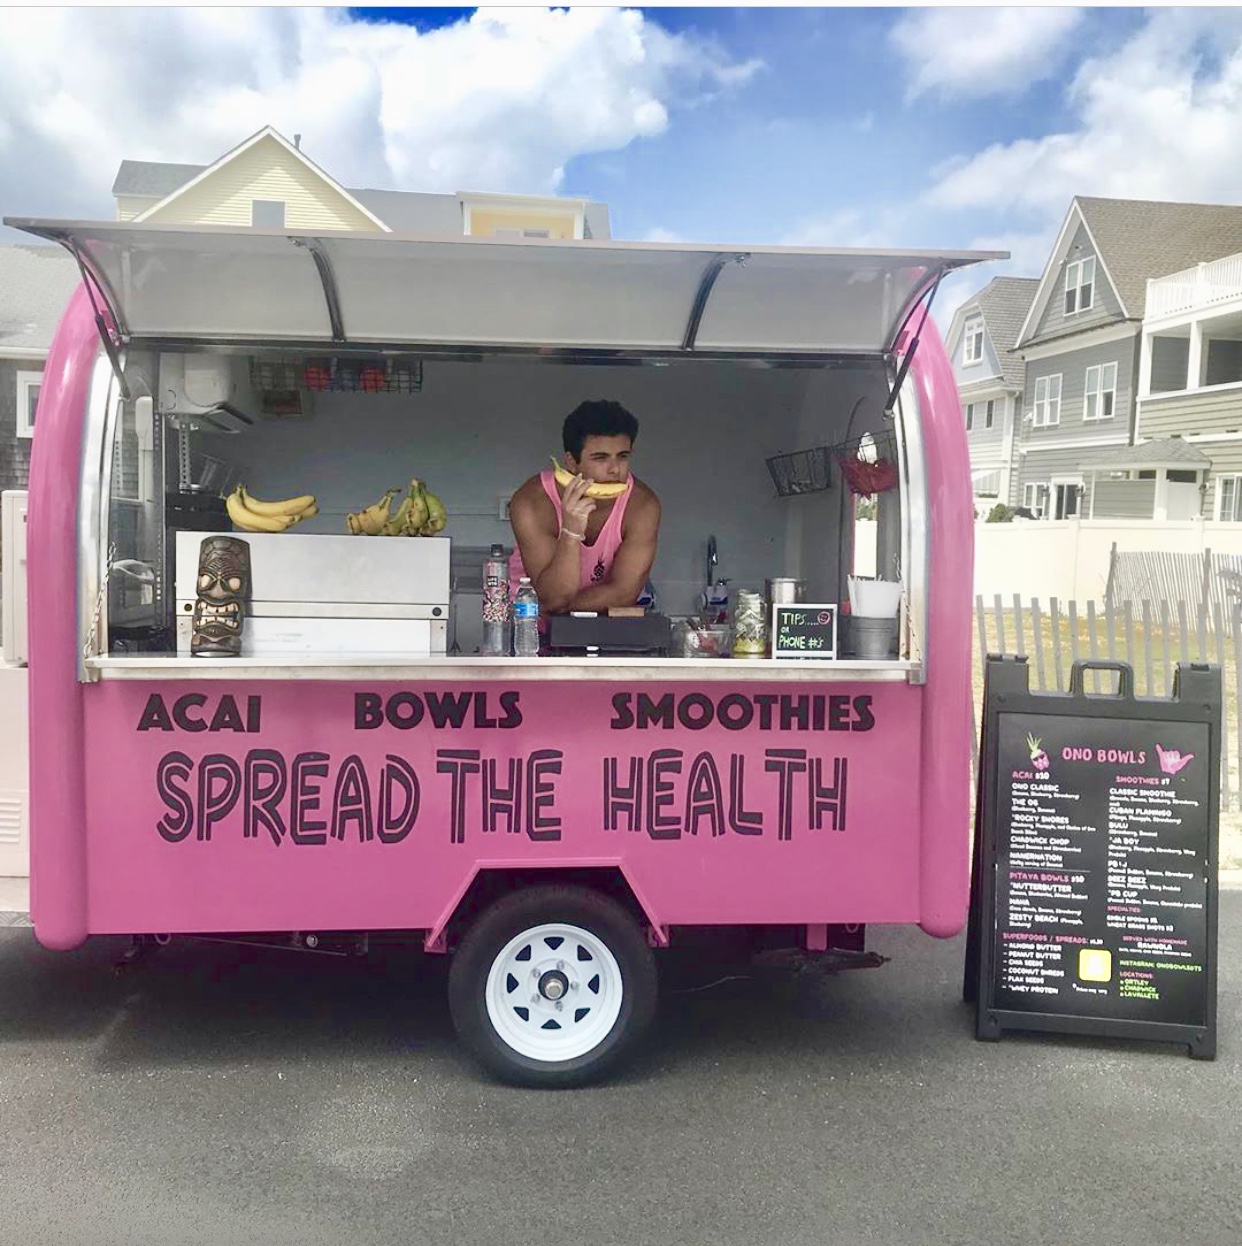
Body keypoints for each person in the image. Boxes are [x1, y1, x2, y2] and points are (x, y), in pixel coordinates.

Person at [508, 399, 661, 615]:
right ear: (571, 462)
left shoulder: (642, 506)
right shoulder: (532, 502)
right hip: (527, 630)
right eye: (600, 458)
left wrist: (550, 606)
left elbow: (624, 594)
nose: (614, 469)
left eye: (623, 457)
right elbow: (555, 595)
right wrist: (570, 532)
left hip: (596, 629)